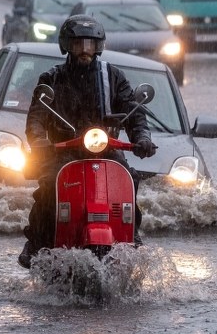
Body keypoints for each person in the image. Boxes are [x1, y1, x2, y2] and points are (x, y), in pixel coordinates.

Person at [18, 14, 158, 268]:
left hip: (106, 149)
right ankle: (37, 241)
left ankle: (132, 233)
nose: (85, 50)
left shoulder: (113, 77)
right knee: (49, 185)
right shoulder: (52, 78)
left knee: (131, 177)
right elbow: (36, 117)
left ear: (99, 47)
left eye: (90, 44)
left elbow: (134, 112)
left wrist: (143, 137)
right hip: (63, 150)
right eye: (78, 44)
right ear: (66, 46)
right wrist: (39, 142)